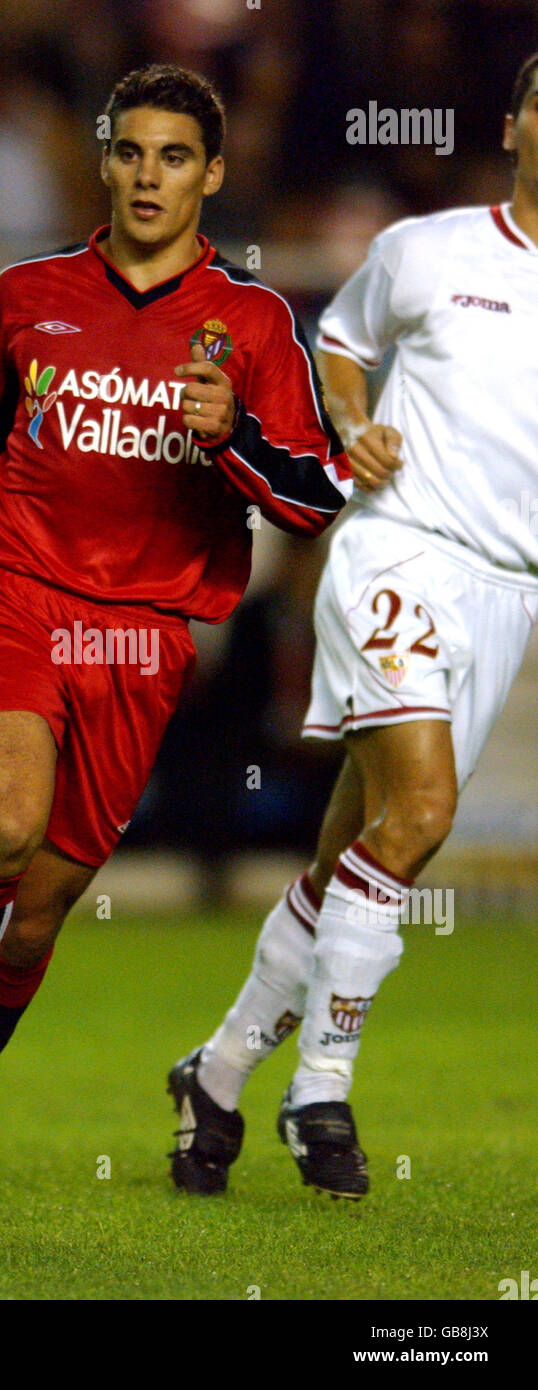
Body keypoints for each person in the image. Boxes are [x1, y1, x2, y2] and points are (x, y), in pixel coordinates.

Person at [0, 62, 351, 1229]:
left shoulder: (254, 323)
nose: (148, 176)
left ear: (211, 175)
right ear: (103, 164)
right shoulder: (29, 293)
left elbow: (313, 497)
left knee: (39, 910)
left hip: (140, 638)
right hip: (9, 585)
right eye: (129, 152)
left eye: (174, 157)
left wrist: (235, 435)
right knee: (2, 825)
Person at [168, 52, 538, 1201]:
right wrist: (352, 422)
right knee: (420, 814)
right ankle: (318, 1087)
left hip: (506, 591)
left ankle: (214, 1073)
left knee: (349, 858)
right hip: (398, 550)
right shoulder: (429, 249)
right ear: (514, 125)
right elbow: (339, 340)